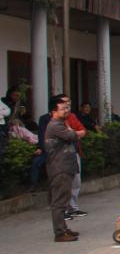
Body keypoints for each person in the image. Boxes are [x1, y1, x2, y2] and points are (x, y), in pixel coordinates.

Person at [44, 96, 86, 242]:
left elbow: (78, 132)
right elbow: (73, 135)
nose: (66, 111)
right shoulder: (55, 125)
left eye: (67, 108)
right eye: (62, 109)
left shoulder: (62, 124)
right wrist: (76, 133)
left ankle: (63, 228)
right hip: (60, 168)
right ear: (54, 111)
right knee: (59, 202)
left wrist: (76, 132)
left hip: (66, 167)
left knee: (64, 200)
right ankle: (60, 232)